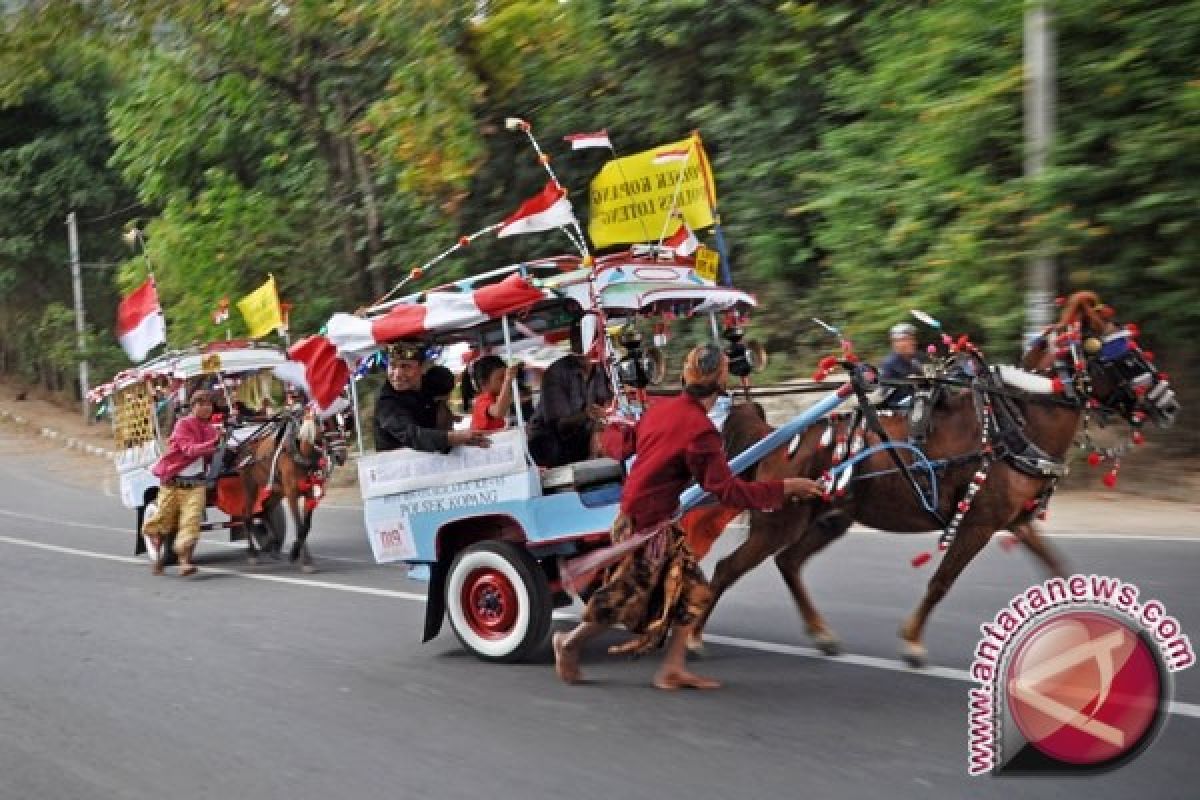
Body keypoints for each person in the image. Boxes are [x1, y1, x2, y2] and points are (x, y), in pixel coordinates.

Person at [551, 345, 826, 691]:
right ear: (722, 384)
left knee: (695, 591)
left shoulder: (660, 410)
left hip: (648, 515)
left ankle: (672, 668)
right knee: (623, 598)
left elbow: (634, 450)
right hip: (650, 524)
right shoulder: (701, 432)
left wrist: (626, 505)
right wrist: (786, 487)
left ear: (684, 376)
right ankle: (569, 643)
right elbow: (729, 492)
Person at [141, 389, 223, 577]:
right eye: (201, 404)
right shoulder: (182, 425)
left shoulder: (212, 430)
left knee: (192, 521)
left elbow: (213, 454)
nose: (206, 408)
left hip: (195, 485)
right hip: (173, 482)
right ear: (193, 407)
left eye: (209, 404)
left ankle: (184, 561)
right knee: (163, 522)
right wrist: (213, 444)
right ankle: (159, 559)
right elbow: (189, 450)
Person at [374, 341, 490, 453]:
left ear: (422, 367)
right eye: (392, 366)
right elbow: (412, 435)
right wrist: (455, 437)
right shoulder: (386, 403)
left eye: (406, 366)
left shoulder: (433, 384)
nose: (397, 374)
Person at [528, 327, 613, 466]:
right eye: (578, 342)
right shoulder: (557, 371)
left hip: (585, 433)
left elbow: (607, 405)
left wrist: (598, 428)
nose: (582, 347)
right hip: (548, 439)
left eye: (588, 341)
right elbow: (558, 425)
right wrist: (588, 415)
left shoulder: (603, 366)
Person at [470, 356, 520, 432]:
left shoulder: (496, 398)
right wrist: (508, 380)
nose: (504, 382)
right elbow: (498, 411)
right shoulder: (481, 401)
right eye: (501, 378)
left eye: (505, 377)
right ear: (484, 383)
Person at [880, 322, 925, 406]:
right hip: (900, 410)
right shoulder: (890, 364)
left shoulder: (915, 362)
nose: (913, 343)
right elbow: (886, 394)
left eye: (912, 339)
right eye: (907, 339)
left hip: (919, 406)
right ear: (896, 343)